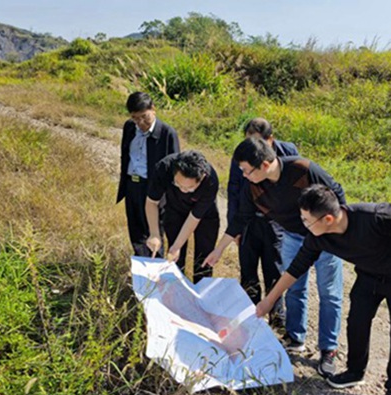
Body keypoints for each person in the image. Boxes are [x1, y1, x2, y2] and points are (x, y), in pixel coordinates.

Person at [256, 184, 391, 395]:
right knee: (357, 322)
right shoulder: (318, 237)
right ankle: (355, 371)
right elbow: (295, 269)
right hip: (368, 277)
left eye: (307, 220)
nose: (304, 224)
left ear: (328, 218)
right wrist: (269, 300)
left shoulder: (376, 216)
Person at [204, 137, 344, 377]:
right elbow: (241, 218)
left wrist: (335, 233)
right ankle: (295, 337)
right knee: (295, 288)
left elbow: (338, 195)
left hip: (325, 237)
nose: (244, 175)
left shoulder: (303, 169)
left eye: (247, 170)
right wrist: (219, 249)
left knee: (328, 293)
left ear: (265, 165)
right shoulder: (254, 187)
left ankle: (328, 349)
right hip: (293, 237)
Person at [227, 118, 299, 329]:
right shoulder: (241, 156)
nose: (252, 148)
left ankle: (277, 318)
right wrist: (234, 227)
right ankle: (250, 316)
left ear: (271, 140)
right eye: (249, 141)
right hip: (248, 220)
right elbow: (233, 190)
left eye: (258, 141)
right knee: (248, 269)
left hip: (276, 223)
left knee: (274, 270)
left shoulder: (289, 152)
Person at [116, 92, 180, 256]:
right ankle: (140, 267)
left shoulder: (167, 133)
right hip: (132, 185)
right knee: (136, 230)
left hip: (153, 190)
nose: (140, 122)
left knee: (154, 232)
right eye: (135, 118)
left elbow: (175, 169)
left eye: (144, 117)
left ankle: (155, 271)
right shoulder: (130, 127)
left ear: (153, 109)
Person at [146, 150, 219, 283]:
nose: (183, 190)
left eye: (189, 188)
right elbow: (151, 202)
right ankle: (175, 290)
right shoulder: (164, 167)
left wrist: (177, 245)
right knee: (175, 257)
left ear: (201, 178)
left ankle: (200, 293)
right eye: (178, 185)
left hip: (205, 216)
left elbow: (194, 217)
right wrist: (154, 233)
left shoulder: (211, 180)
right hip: (175, 210)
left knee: (204, 258)